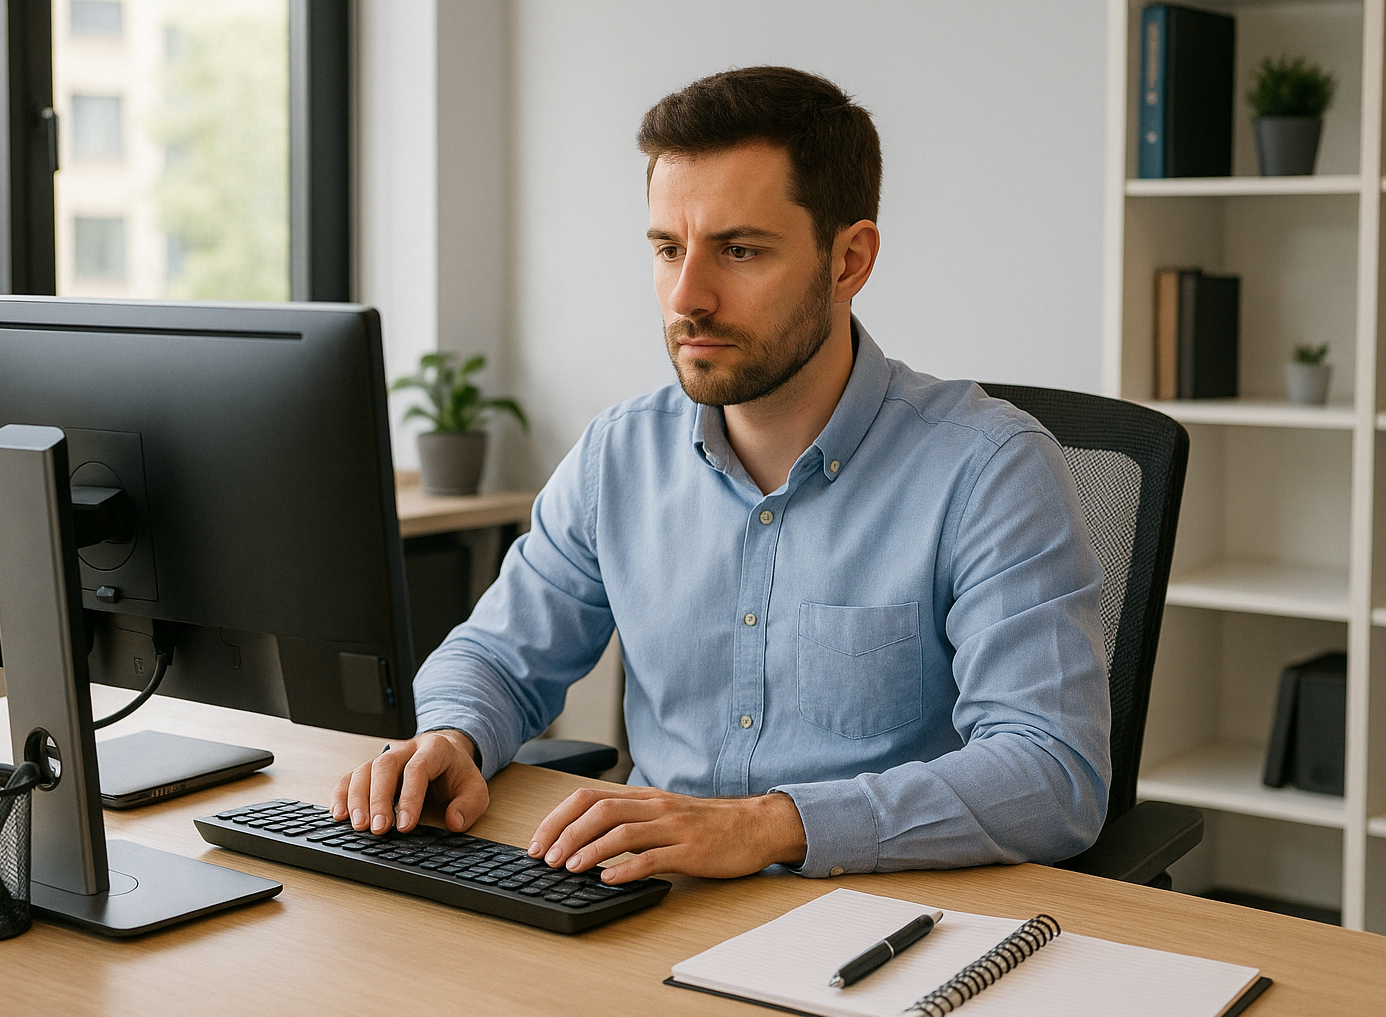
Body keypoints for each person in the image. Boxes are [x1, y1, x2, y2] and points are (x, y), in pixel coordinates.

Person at [333, 66, 1111, 885]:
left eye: (739, 251)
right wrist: (450, 737)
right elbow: (495, 655)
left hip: (879, 925)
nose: (687, 297)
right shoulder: (618, 455)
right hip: (643, 904)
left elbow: (1052, 774)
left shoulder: (988, 469)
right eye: (669, 250)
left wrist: (769, 827)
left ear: (849, 261)